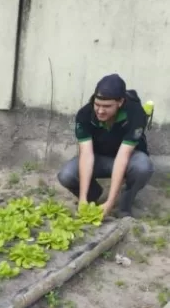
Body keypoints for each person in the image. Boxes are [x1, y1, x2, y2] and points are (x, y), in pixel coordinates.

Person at [58, 74, 154, 218]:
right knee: (66, 175)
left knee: (143, 167)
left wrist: (110, 201)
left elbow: (123, 157)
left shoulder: (135, 113)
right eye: (97, 105)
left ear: (120, 102)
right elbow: (86, 154)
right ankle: (92, 195)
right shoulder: (85, 114)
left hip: (127, 159)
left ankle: (124, 206)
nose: (100, 111)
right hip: (99, 158)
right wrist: (83, 198)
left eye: (107, 106)